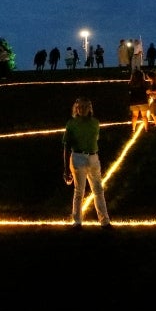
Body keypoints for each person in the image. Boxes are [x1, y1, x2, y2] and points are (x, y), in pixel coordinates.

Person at [62, 97, 111, 229]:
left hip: (93, 157)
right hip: (78, 158)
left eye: (85, 107)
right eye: (80, 107)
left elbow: (94, 140)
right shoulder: (71, 124)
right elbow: (66, 146)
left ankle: (105, 221)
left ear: (89, 108)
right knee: (79, 191)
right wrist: (66, 169)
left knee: (98, 190)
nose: (82, 110)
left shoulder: (95, 123)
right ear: (76, 109)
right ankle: (77, 222)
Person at [128, 68, 150, 132]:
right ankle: (146, 129)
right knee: (144, 116)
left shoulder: (130, 84)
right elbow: (148, 91)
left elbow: (129, 92)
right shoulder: (145, 83)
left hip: (134, 101)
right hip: (143, 101)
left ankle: (133, 129)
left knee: (134, 116)